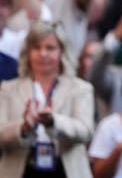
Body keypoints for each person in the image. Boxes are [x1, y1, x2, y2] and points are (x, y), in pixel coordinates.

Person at [0, 20, 94, 178]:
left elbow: (86, 131)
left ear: (62, 52)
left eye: (50, 48)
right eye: (37, 48)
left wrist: (53, 121)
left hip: (65, 170)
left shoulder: (81, 88)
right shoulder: (8, 88)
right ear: (28, 52)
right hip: (21, 170)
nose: (43, 54)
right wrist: (23, 128)